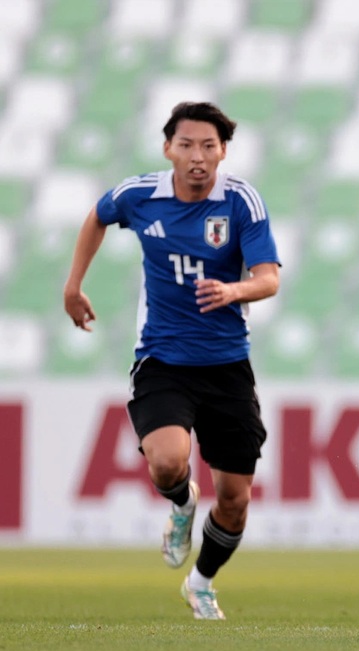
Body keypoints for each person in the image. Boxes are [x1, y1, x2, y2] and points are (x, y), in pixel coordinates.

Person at [63, 101, 281, 620]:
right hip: (163, 359)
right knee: (166, 462)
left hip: (227, 364)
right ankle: (182, 505)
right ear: (168, 149)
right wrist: (74, 285)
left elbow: (270, 278)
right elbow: (97, 216)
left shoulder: (241, 202)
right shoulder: (140, 195)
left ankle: (201, 582)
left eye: (209, 146)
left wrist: (234, 290)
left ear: (223, 151)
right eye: (187, 145)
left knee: (234, 501)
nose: (198, 156)